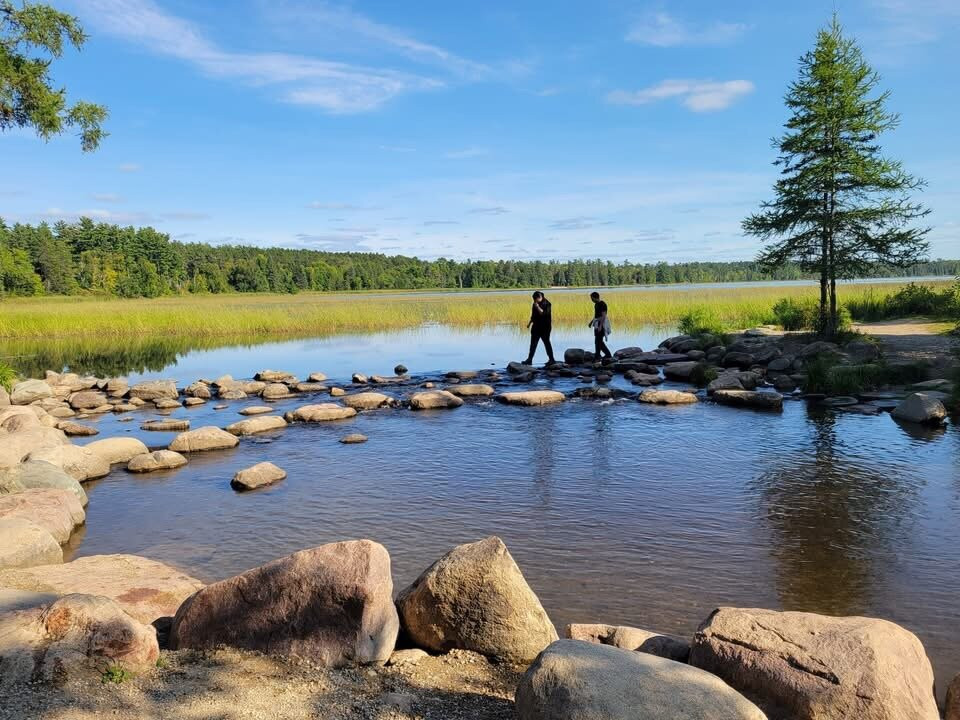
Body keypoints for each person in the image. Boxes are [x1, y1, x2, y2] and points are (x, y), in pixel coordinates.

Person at [524, 291, 556, 365]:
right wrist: (529, 323)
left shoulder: (548, 304)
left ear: (540, 297)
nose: (534, 301)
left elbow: (543, 313)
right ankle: (529, 360)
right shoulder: (534, 304)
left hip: (545, 327)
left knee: (546, 343)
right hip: (536, 327)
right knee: (533, 344)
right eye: (533, 299)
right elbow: (533, 315)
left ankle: (551, 359)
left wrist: (537, 307)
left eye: (535, 299)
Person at [588, 291, 613, 362]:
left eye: (592, 298)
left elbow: (603, 316)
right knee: (597, 341)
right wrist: (591, 322)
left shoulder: (602, 304)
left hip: (601, 323)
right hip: (597, 323)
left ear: (595, 297)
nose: (591, 300)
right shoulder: (596, 305)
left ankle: (606, 354)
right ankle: (598, 355)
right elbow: (596, 315)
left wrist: (600, 326)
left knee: (599, 341)